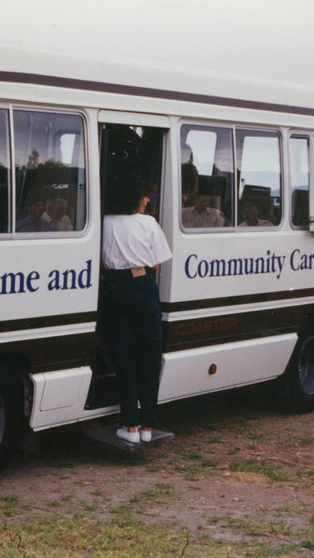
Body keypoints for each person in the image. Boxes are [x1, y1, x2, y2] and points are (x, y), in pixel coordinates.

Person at [99, 181, 172, 444]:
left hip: (115, 288)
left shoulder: (104, 222)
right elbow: (155, 262)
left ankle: (130, 426)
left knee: (123, 355)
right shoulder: (148, 224)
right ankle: (148, 426)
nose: (148, 200)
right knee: (149, 356)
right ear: (135, 197)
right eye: (145, 195)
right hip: (143, 286)